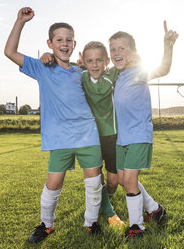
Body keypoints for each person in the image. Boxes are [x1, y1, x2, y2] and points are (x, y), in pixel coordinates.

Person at [4, 7, 104, 244]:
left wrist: (87, 65)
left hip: (88, 135)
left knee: (93, 182)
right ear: (49, 43)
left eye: (69, 39)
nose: (64, 43)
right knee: (53, 183)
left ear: (74, 43)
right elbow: (10, 51)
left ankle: (91, 223)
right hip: (60, 139)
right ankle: (46, 225)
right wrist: (20, 22)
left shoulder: (82, 71)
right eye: (59, 39)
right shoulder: (42, 68)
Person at [41, 41, 124, 228]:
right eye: (89, 61)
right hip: (89, 135)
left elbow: (113, 75)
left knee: (113, 182)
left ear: (106, 61)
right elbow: (63, 68)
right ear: (84, 61)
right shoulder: (79, 74)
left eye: (99, 60)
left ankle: (104, 202)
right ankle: (108, 210)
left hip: (111, 134)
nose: (94, 64)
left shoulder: (111, 73)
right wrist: (49, 56)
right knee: (97, 177)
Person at [109, 21, 178, 240]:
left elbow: (163, 69)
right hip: (122, 139)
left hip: (139, 134)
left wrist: (168, 46)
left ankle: (137, 227)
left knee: (129, 181)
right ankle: (156, 210)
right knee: (122, 180)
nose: (116, 53)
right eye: (113, 49)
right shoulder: (116, 77)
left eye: (122, 48)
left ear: (133, 52)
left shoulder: (139, 72)